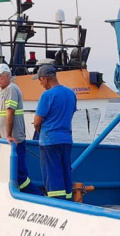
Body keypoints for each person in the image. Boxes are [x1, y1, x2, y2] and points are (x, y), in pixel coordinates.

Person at [0, 63, 38, 195]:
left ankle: (37, 196)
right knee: (12, 172)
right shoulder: (1, 89)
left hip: (14, 140)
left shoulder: (11, 89)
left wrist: (8, 135)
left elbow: (10, 113)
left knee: (20, 175)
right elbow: (1, 115)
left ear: (8, 75)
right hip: (6, 140)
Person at [32, 64, 76, 200]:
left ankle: (56, 203)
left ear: (45, 79)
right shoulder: (71, 93)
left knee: (53, 175)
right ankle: (68, 201)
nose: (40, 84)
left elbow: (37, 121)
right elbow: (70, 114)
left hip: (49, 141)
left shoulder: (47, 95)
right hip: (66, 140)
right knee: (65, 173)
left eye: (40, 80)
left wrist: (40, 132)